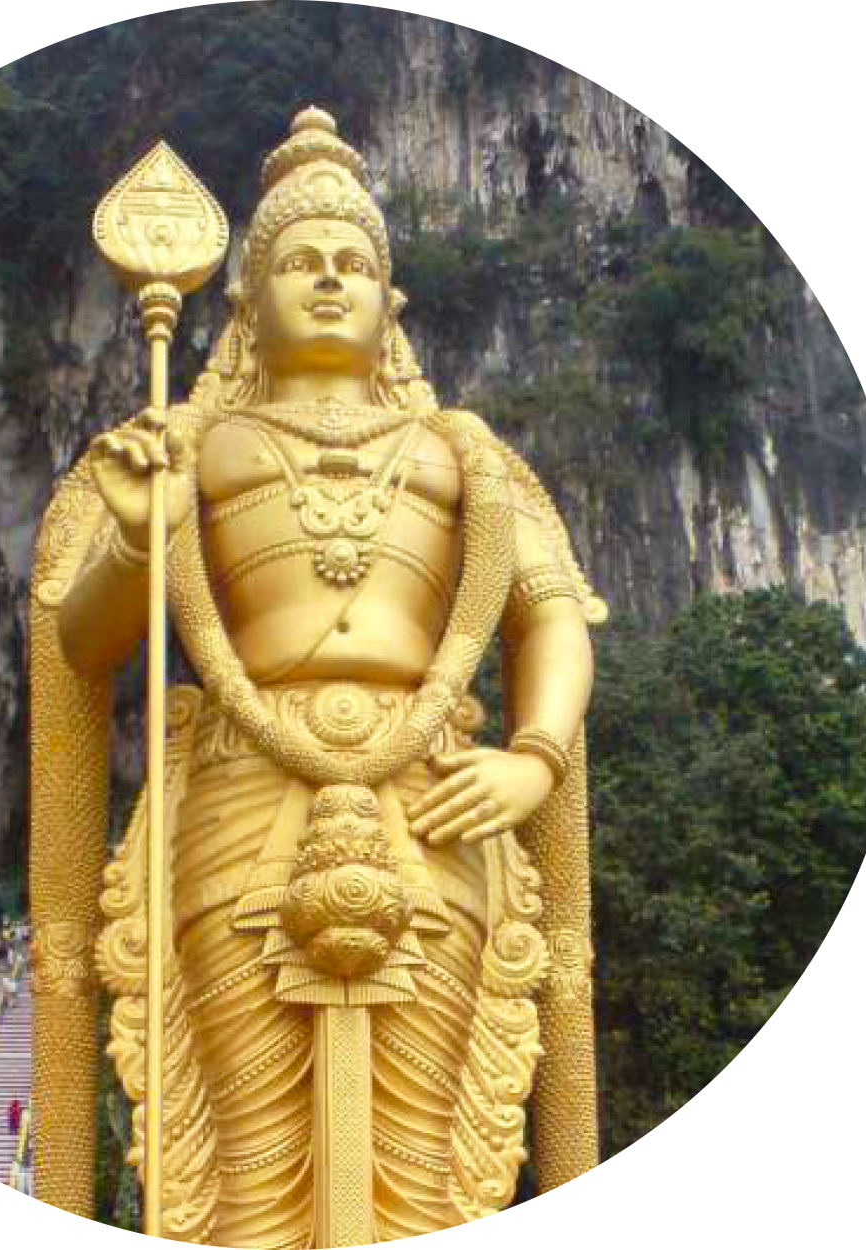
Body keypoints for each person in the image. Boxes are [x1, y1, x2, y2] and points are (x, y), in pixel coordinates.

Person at [30, 108, 603, 1241]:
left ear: (390, 300)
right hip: (244, 797)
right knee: (250, 1171)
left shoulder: (465, 456)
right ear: (246, 300)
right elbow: (78, 640)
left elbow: (548, 616)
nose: (329, 279)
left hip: (433, 799)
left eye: (353, 262)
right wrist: (140, 539)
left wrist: (533, 757)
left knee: (429, 1161)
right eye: (299, 262)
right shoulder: (184, 445)